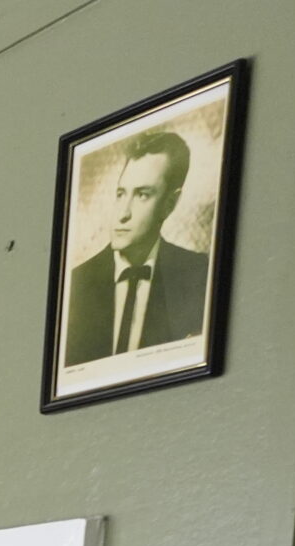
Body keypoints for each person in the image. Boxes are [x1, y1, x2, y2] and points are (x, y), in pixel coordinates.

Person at [63, 127, 210, 368]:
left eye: (142, 195)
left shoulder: (200, 275)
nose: (123, 213)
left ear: (170, 204)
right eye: (121, 194)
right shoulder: (75, 284)